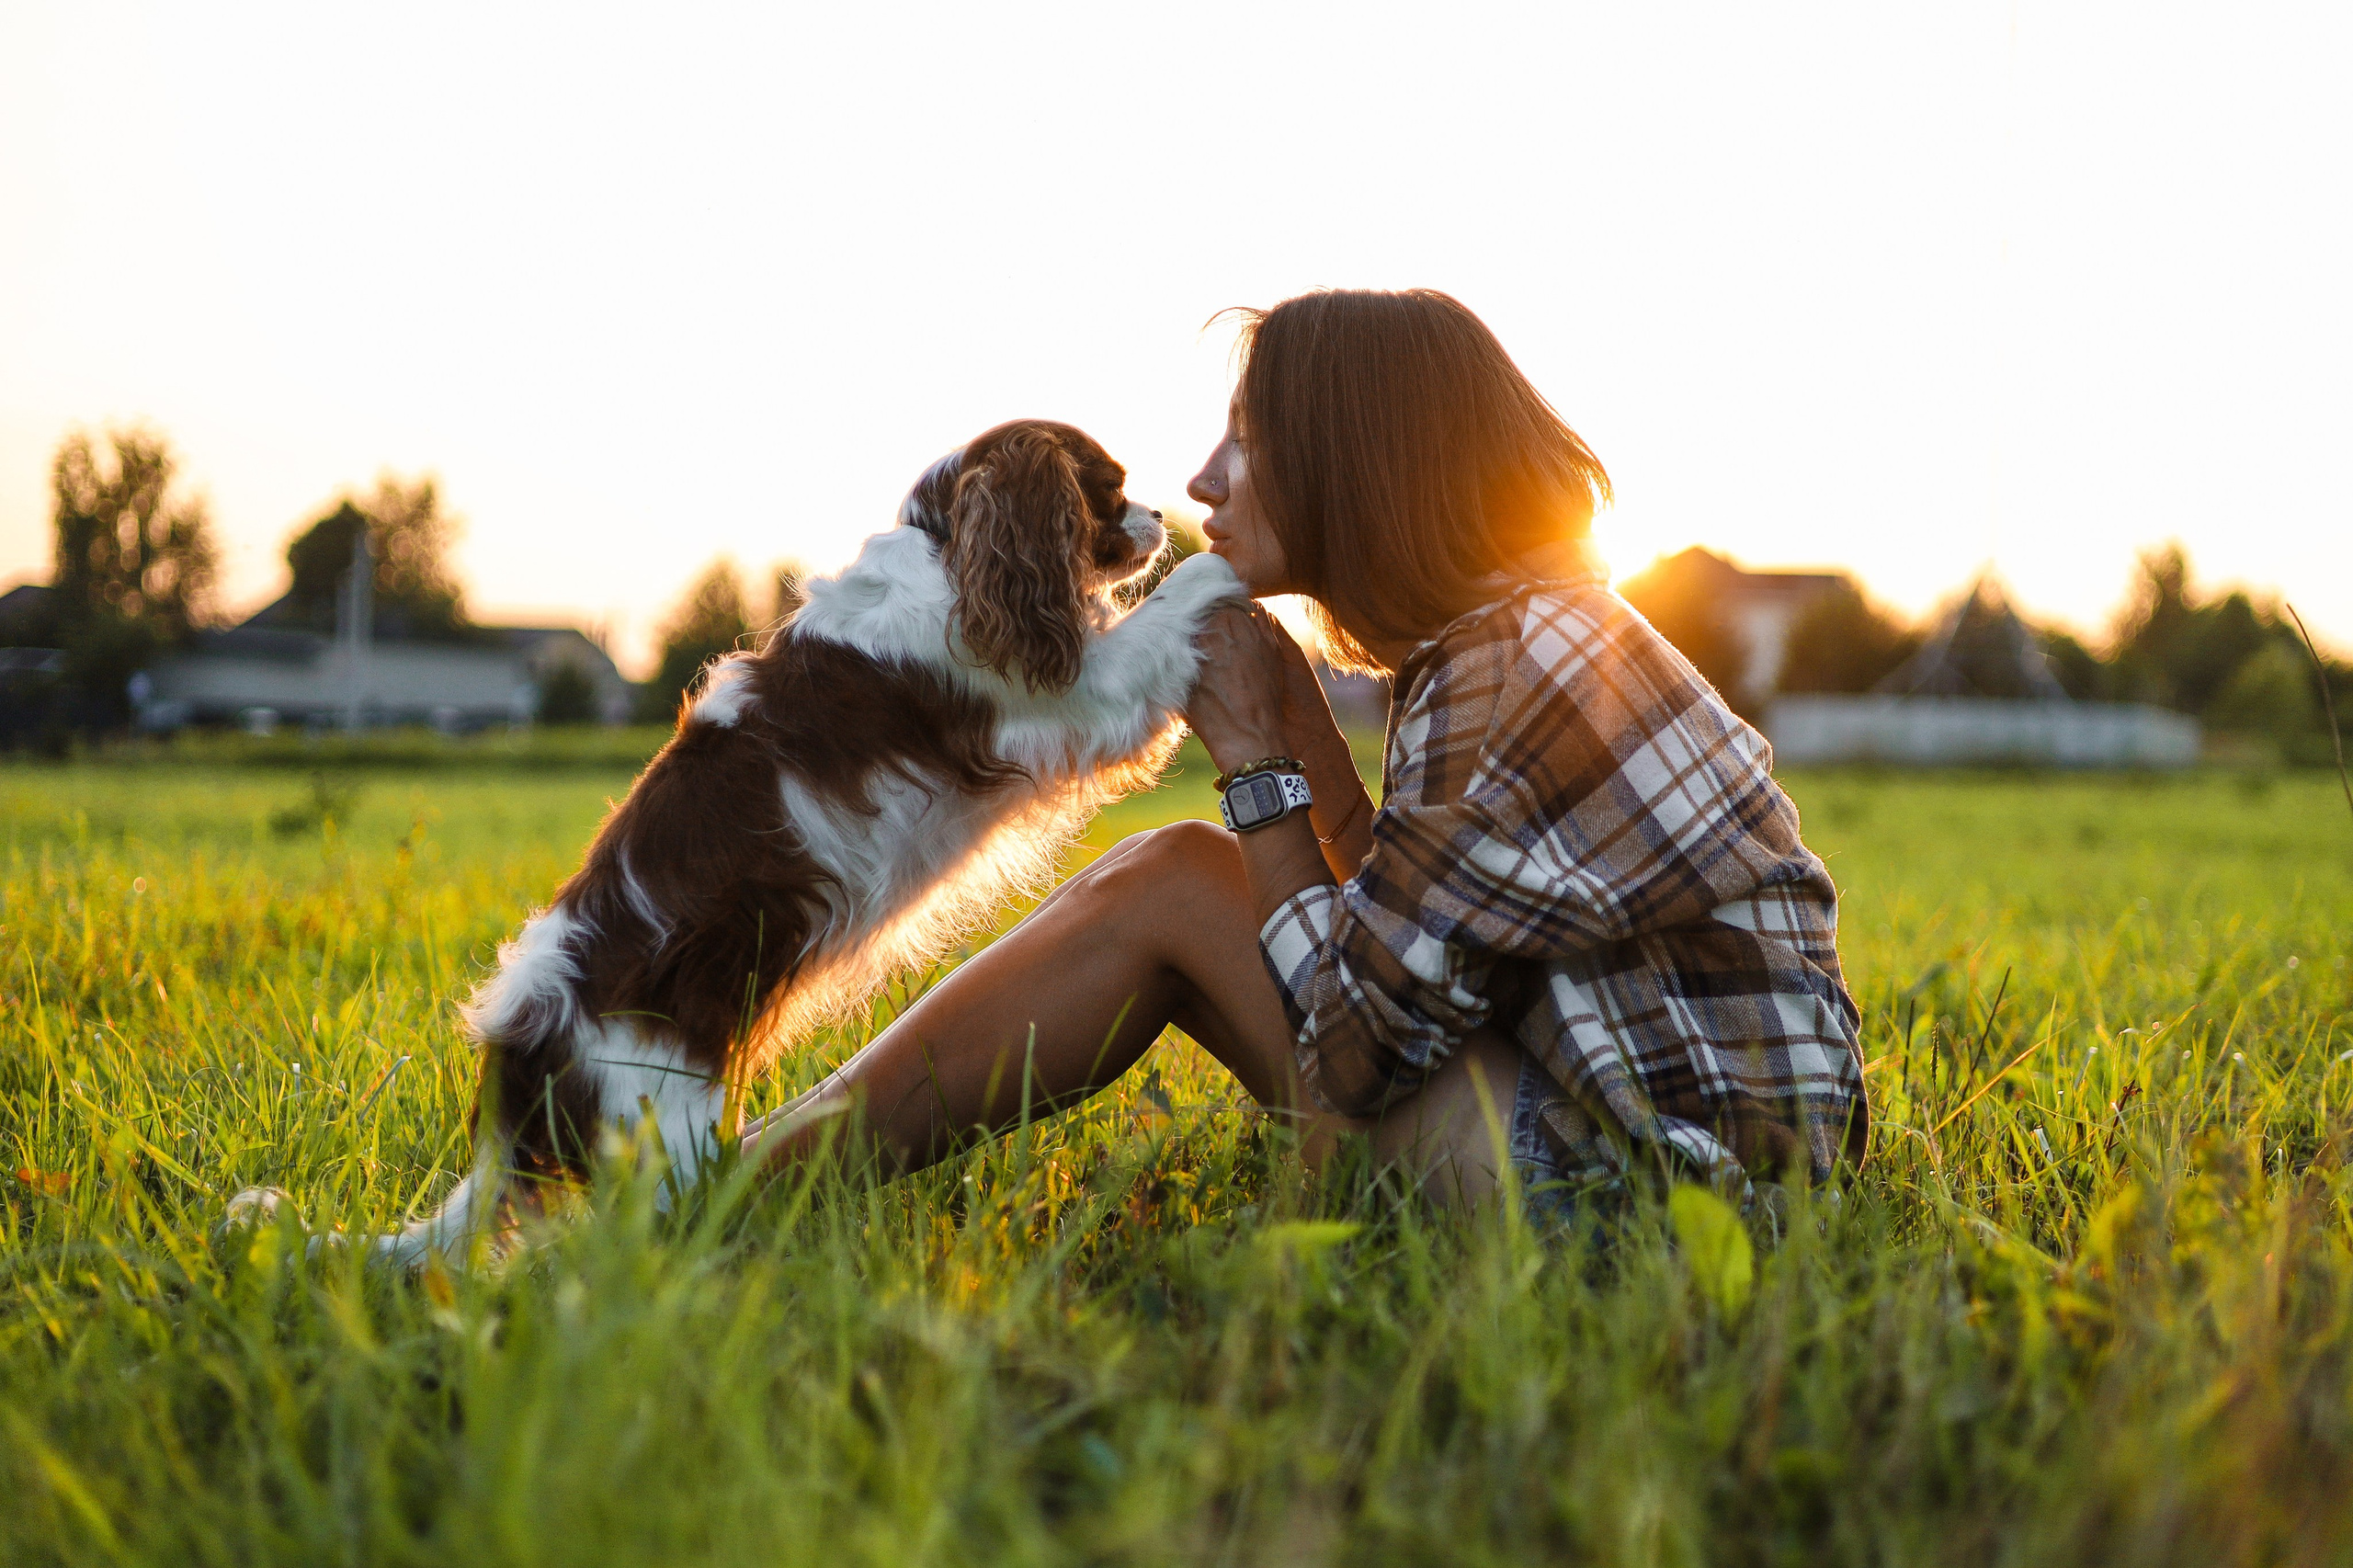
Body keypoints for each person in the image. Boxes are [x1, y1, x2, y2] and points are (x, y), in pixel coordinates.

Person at [744, 289, 1867, 1212]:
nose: (1203, 479)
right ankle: (756, 1166)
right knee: (1183, 875)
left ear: (1350, 461)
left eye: (1248, 436)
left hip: (1661, 1208)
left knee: (1176, 884)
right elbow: (1433, 952)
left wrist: (1254, 766)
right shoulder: (1524, 635)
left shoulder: (1509, 672)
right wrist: (1317, 760)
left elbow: (1358, 1047)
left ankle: (737, 1187)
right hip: (1697, 1170)